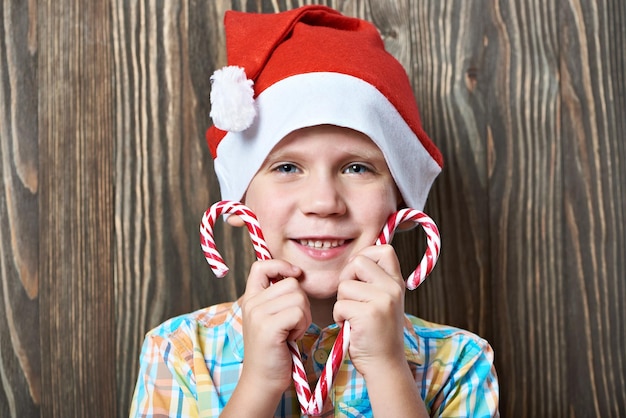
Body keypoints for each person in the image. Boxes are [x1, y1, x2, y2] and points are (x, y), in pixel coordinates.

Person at [129, 5, 499, 417]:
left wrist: (387, 367)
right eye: (287, 167)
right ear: (237, 201)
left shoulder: (459, 363)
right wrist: (259, 383)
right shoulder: (178, 352)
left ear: (401, 196)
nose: (324, 202)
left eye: (357, 167)